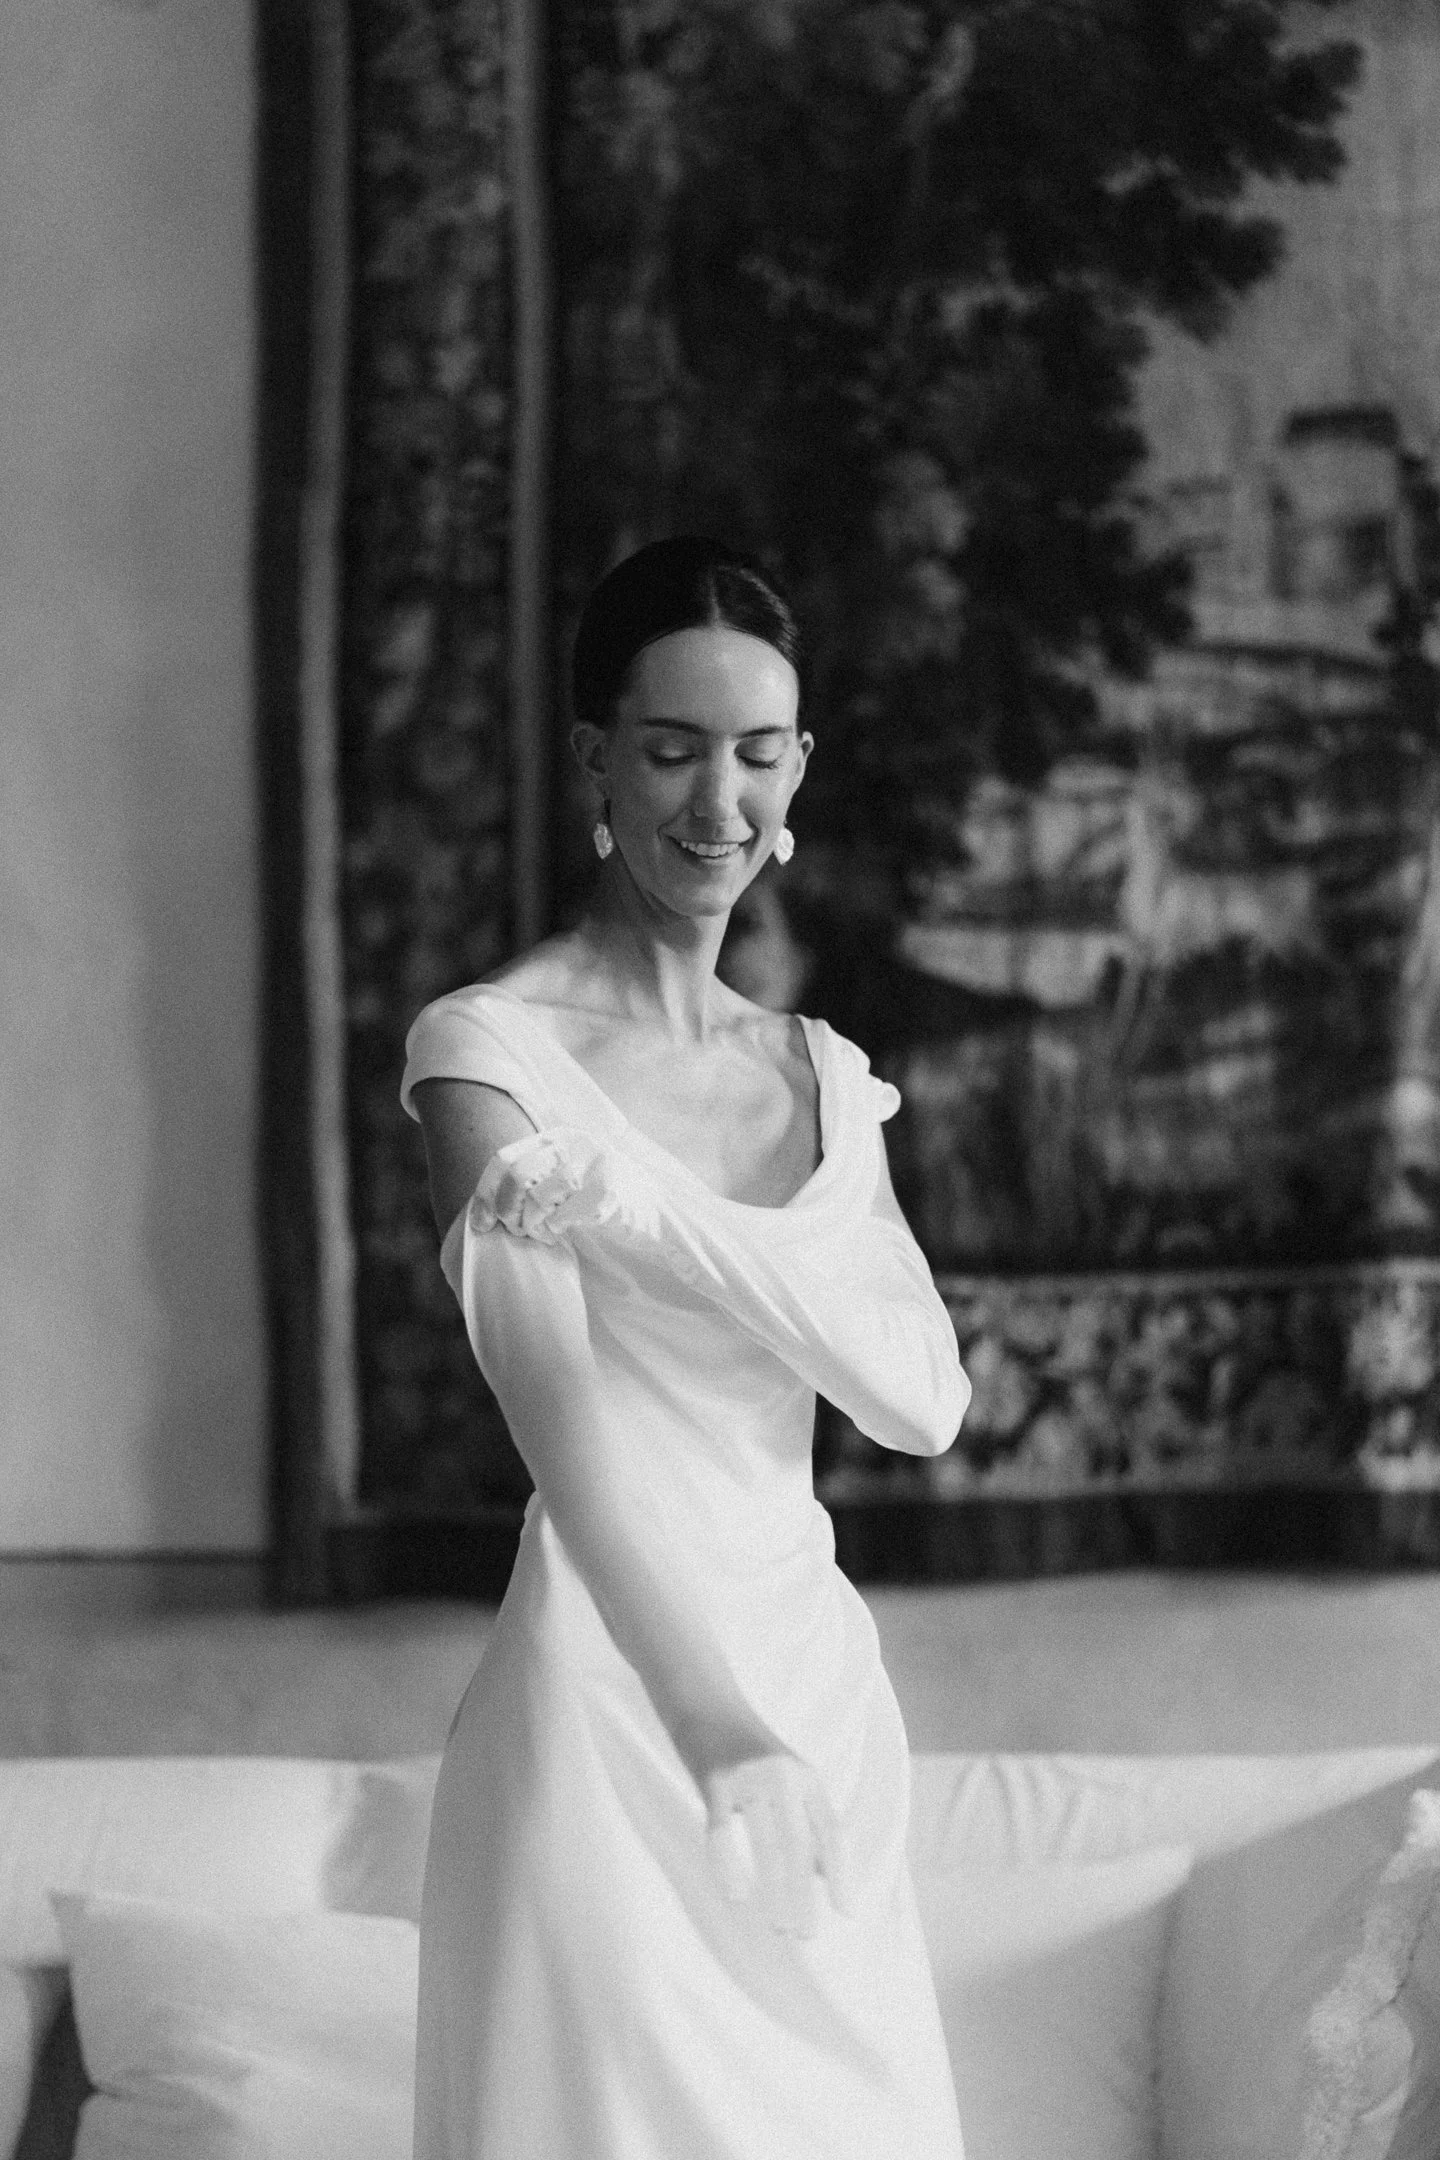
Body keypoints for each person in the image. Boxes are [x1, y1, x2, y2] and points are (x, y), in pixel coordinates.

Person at [403, 536, 971, 2159]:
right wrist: (705, 1715)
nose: (718, 802)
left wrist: (652, 1222)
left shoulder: (821, 1072)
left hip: (817, 1703)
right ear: (596, 757)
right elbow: (566, 1436)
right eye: (670, 749)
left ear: (800, 771)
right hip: (607, 1704)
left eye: (758, 751)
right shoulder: (486, 1051)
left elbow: (921, 1401)